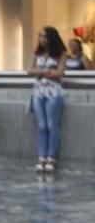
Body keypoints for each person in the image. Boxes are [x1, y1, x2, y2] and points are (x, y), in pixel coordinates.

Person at [28, 27, 67, 173]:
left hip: (54, 92)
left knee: (52, 125)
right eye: (40, 36)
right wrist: (45, 72)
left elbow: (60, 72)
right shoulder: (37, 53)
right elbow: (29, 70)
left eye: (45, 36)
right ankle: (41, 157)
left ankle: (51, 158)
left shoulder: (61, 53)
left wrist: (42, 73)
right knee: (41, 125)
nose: (42, 39)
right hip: (39, 91)